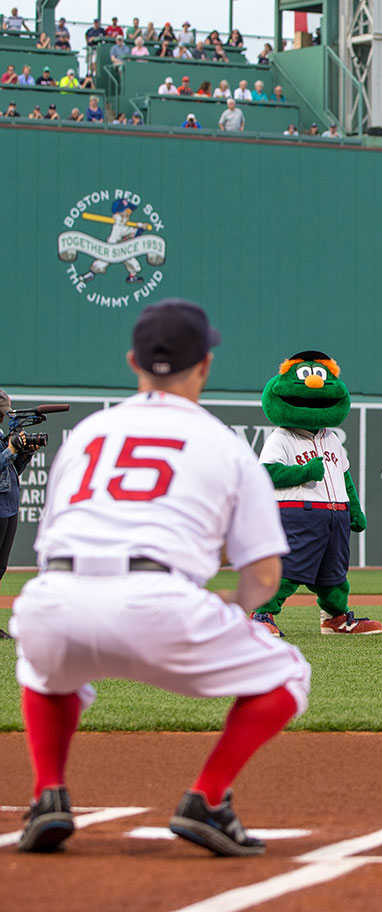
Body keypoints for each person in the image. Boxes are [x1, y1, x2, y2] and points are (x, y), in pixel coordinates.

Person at [9, 300, 310, 856]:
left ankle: (47, 793)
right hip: (159, 603)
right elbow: (265, 574)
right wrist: (234, 611)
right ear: (205, 365)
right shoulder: (224, 442)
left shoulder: (87, 433)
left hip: (54, 599)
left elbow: (51, 543)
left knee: (41, 664)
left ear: (133, 362)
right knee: (288, 672)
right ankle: (207, 799)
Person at [0, 389, 46, 639]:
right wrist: (10, 449)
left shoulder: (0, 434)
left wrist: (25, 453)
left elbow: (12, 469)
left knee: (0, 569)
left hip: (8, 505)